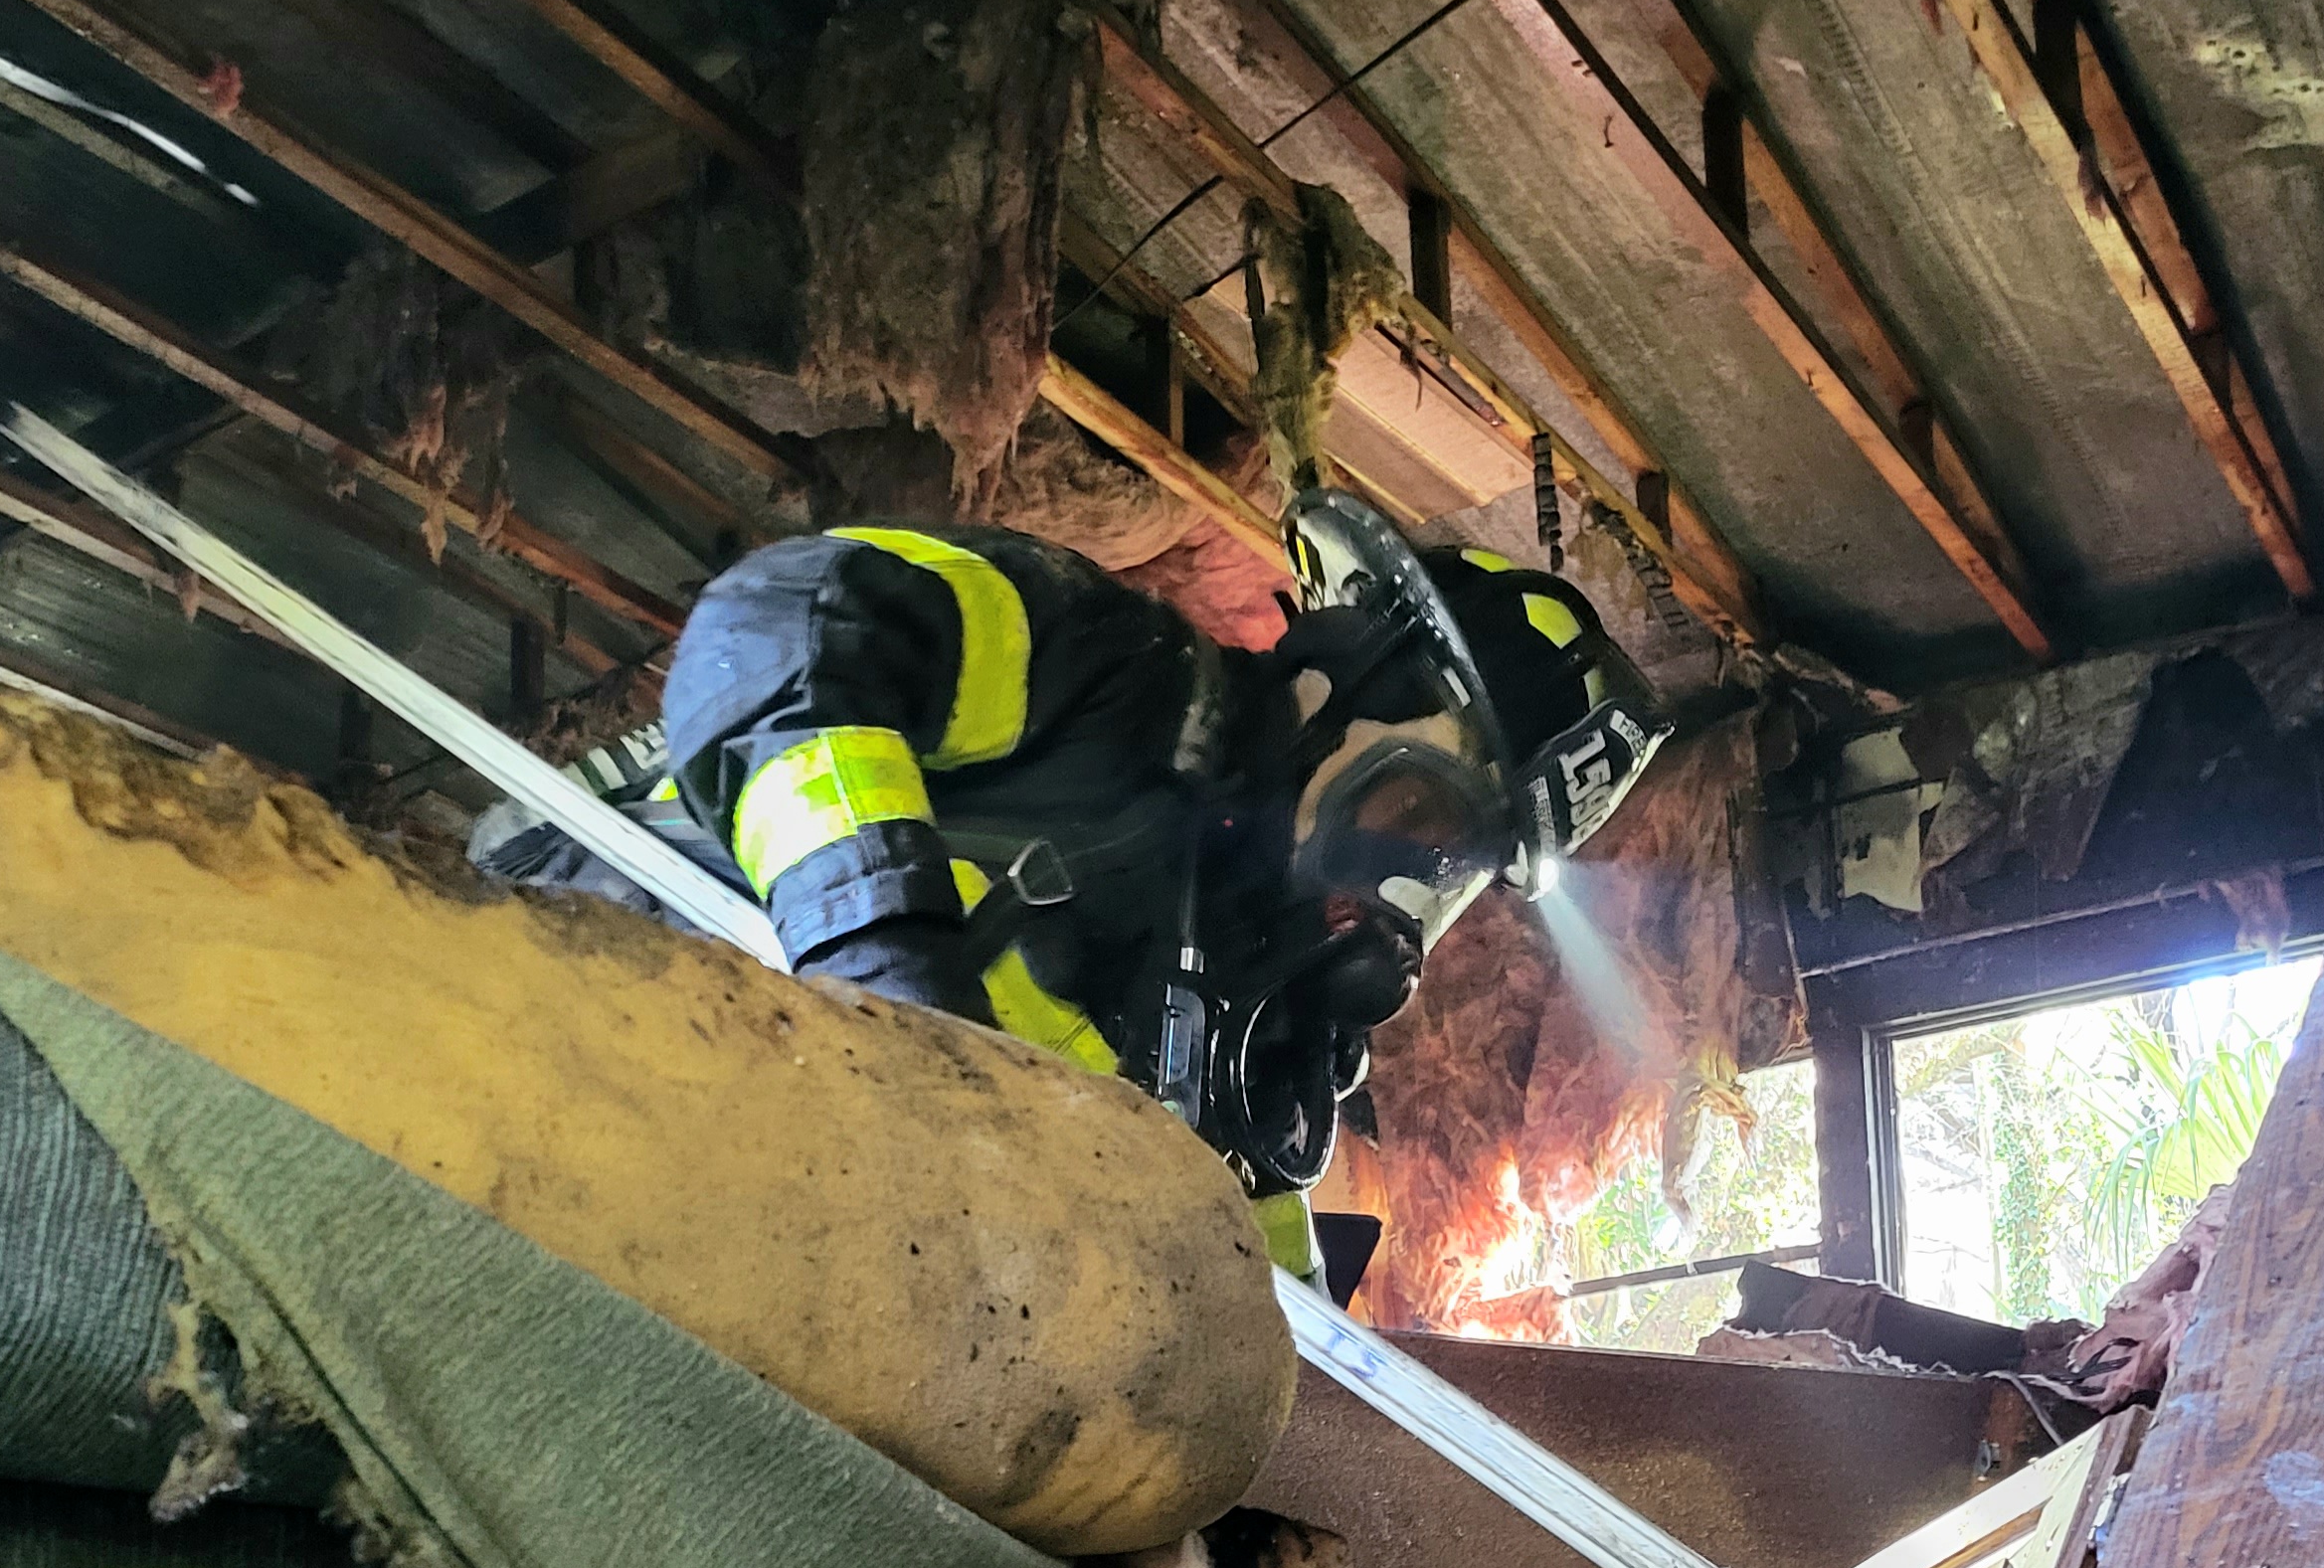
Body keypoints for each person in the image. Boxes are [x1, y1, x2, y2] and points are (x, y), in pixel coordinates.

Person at [470, 491, 1693, 1253]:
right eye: (1425, 814)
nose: (1409, 889)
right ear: (1355, 688)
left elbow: (1242, 1307)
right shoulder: (1116, 679)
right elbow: (786, 623)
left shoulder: (1273, 1043)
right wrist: (877, 974)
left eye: (1458, 877)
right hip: (578, 997)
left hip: (743, 1224)